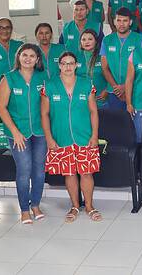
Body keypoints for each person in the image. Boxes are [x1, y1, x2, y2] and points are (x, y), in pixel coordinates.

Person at [41, 51, 101, 222]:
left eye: (71, 63)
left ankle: (89, 206)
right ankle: (75, 206)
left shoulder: (87, 84)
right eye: (64, 63)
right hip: (61, 137)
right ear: (59, 65)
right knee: (69, 173)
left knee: (87, 172)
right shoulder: (49, 86)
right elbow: (44, 114)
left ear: (76, 65)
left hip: (85, 136)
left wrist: (95, 135)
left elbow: (93, 111)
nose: (67, 66)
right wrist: (49, 138)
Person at [0, 43, 48, 224]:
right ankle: (25, 209)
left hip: (40, 131)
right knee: (24, 170)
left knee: (39, 171)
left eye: (32, 56)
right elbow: (1, 108)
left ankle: (36, 205)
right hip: (17, 133)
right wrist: (15, 132)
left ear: (37, 59)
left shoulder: (43, 77)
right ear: (18, 57)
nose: (28, 59)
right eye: (24, 55)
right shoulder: (8, 78)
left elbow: (48, 105)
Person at [100, 7, 142, 110]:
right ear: (114, 22)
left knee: (133, 119)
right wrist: (116, 88)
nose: (121, 24)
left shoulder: (140, 39)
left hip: (134, 90)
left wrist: (125, 86)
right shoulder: (107, 40)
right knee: (115, 120)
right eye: (119, 20)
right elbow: (105, 68)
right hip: (113, 91)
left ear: (130, 22)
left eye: (125, 21)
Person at [77, 30, 109, 110]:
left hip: (101, 101)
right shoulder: (75, 58)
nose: (87, 42)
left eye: (90, 39)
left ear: (96, 41)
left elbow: (113, 75)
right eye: (83, 39)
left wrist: (107, 90)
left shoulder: (103, 57)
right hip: (81, 101)